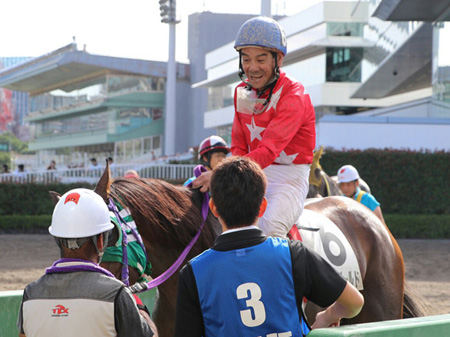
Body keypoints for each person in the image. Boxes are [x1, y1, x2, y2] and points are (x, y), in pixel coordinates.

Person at [174, 157, 364, 337]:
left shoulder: (192, 272)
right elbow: (354, 302)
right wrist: (327, 316)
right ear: (263, 207)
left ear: (214, 208)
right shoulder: (294, 254)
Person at [192, 16, 316, 238]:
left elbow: (268, 151)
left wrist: (221, 175)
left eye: (261, 60)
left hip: (289, 177)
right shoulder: (242, 91)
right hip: (251, 173)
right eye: (246, 59)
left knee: (268, 230)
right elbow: (239, 145)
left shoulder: (294, 94)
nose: (252, 68)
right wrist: (230, 176)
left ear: (278, 59)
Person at [17, 188, 157, 337]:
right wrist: (138, 306)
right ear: (101, 240)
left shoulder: (30, 294)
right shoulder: (116, 294)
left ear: (57, 239)